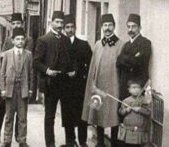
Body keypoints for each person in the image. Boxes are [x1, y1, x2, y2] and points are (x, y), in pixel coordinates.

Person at [0, 13, 33, 143]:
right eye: (13, 24)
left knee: (21, 114)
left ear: (22, 24)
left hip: (22, 81)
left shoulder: (28, 40)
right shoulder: (9, 39)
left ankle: (20, 138)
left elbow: (29, 65)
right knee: (3, 109)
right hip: (8, 81)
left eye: (18, 24)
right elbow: (3, 56)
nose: (15, 26)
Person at [82, 14, 124, 147]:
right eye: (105, 25)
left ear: (114, 26)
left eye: (110, 25)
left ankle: (114, 143)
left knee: (113, 116)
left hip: (114, 85)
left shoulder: (121, 45)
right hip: (98, 86)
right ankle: (100, 142)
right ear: (101, 27)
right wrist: (92, 85)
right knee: (98, 113)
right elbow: (93, 68)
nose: (107, 28)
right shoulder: (97, 44)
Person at [33, 11, 74, 147]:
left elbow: (70, 60)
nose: (59, 25)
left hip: (65, 83)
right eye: (57, 22)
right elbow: (36, 62)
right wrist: (47, 71)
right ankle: (50, 144)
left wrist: (72, 71)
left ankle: (70, 142)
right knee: (50, 116)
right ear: (51, 22)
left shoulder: (66, 39)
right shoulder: (43, 40)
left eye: (62, 23)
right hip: (51, 84)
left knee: (68, 114)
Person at [60, 15, 92, 147]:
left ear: (75, 28)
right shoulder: (60, 44)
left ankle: (82, 140)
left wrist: (78, 73)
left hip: (80, 85)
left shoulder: (83, 45)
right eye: (67, 27)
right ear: (64, 29)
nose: (69, 30)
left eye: (72, 27)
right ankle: (70, 140)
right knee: (67, 113)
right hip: (65, 84)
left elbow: (90, 64)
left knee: (81, 113)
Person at [0, 28, 33, 147]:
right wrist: (3, 89)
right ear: (13, 41)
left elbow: (31, 73)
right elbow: (2, 73)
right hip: (10, 89)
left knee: (22, 117)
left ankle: (22, 140)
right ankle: (7, 140)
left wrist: (30, 89)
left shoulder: (28, 54)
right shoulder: (8, 54)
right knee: (9, 116)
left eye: (22, 39)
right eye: (17, 39)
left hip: (22, 89)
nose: (20, 41)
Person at [117, 14, 152, 100]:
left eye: (133, 27)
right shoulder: (126, 45)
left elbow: (137, 62)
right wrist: (131, 57)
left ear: (139, 28)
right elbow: (118, 62)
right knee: (123, 110)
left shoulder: (145, 43)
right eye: (128, 27)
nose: (130, 30)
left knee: (136, 111)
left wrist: (124, 58)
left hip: (138, 85)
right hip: (125, 85)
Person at [118, 79, 151, 147]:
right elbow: (121, 112)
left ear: (141, 89)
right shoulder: (126, 100)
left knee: (137, 145)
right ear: (129, 90)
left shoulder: (144, 100)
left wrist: (140, 109)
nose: (135, 90)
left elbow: (148, 112)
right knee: (128, 145)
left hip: (139, 129)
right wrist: (126, 110)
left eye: (137, 88)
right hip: (129, 129)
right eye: (133, 88)